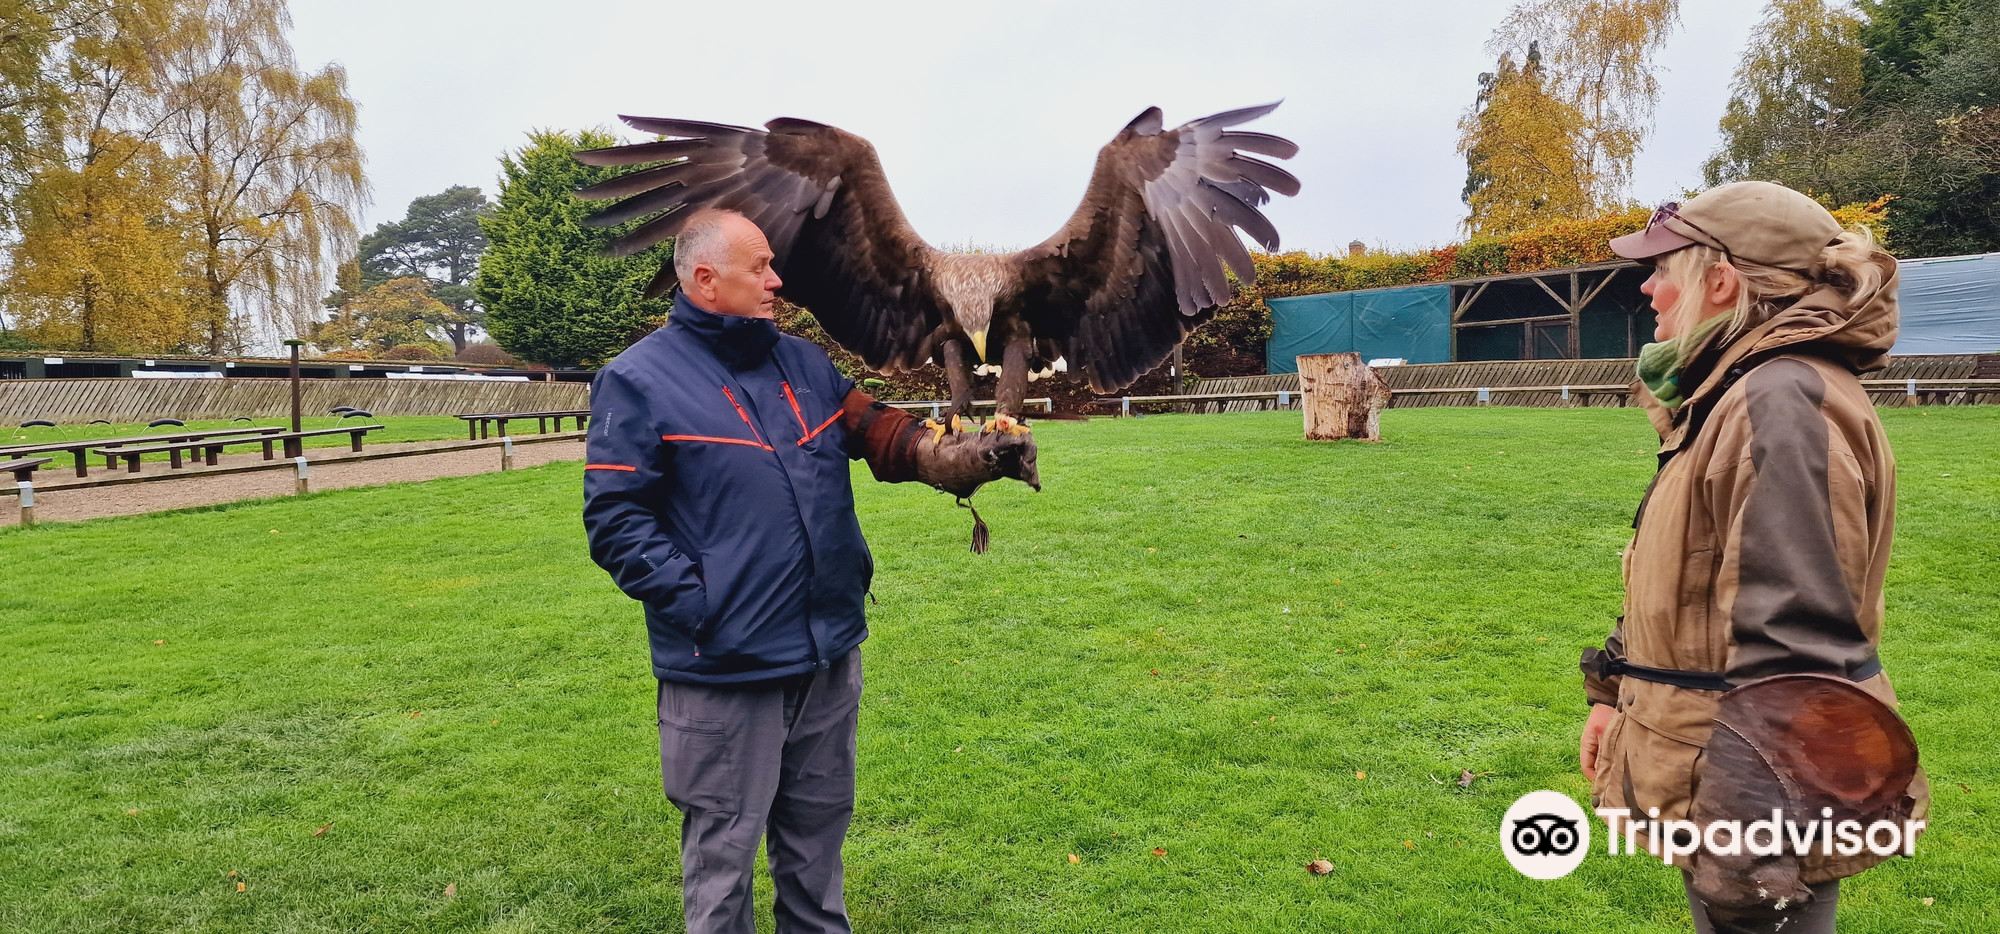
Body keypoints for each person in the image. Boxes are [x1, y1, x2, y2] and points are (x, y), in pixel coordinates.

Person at [582, 209, 1037, 933]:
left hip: (827, 652)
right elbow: (616, 523)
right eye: (759, 266)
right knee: (723, 859)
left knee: (816, 848)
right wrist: (706, 606)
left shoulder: (801, 364)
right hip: (726, 668)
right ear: (706, 279)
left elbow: (879, 432)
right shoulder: (637, 381)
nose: (777, 279)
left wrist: (959, 456)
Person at [1577, 181, 1928, 934]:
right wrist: (1614, 694)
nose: (1648, 288)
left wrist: (1749, 843)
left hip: (1755, 790)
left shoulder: (1780, 401)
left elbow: (1796, 647)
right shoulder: (1732, 393)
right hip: (1709, 764)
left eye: (1664, 268)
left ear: (1721, 280)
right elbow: (1682, 580)